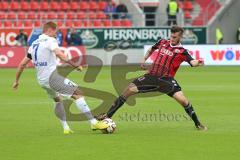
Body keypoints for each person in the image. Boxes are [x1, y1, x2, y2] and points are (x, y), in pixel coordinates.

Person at [97, 26, 207, 131]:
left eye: (175, 37)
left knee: (183, 101)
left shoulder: (182, 51)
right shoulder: (162, 42)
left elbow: (192, 62)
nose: (172, 39)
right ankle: (108, 116)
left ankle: (198, 123)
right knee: (127, 91)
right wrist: (144, 59)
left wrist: (199, 62)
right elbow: (151, 49)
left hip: (166, 81)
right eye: (171, 36)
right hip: (151, 77)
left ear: (180, 37)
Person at [12, 22, 109, 134]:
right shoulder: (50, 41)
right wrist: (75, 65)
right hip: (52, 78)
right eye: (56, 32)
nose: (56, 34)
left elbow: (22, 64)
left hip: (42, 81)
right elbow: (60, 54)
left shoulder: (33, 44)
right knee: (77, 93)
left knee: (57, 100)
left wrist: (16, 81)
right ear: (49, 30)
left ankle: (66, 128)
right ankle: (94, 123)